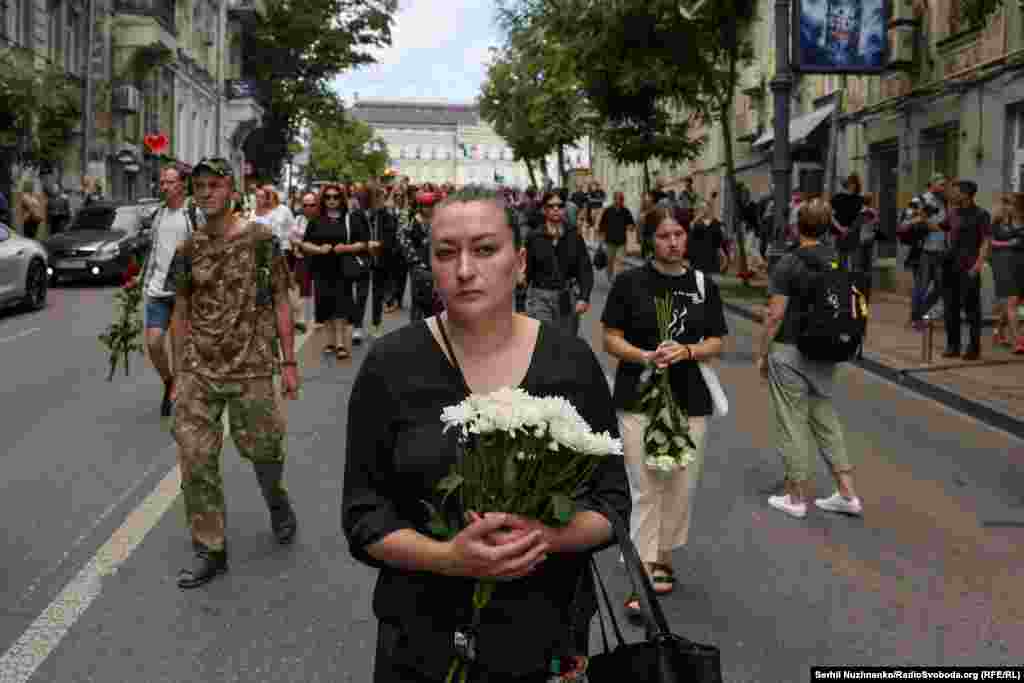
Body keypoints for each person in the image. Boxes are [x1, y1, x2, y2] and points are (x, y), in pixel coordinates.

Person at [342, 185, 630, 683]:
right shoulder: (391, 365)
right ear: (430, 266)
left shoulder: (571, 363)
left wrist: (549, 536)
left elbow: (612, 503)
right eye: (446, 253)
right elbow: (364, 514)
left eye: (485, 249)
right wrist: (446, 558)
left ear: (519, 262)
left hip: (546, 639)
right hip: (422, 640)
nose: (465, 269)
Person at [169, 157, 300, 589]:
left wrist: (289, 361)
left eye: (214, 185)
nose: (206, 193)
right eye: (199, 187)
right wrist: (176, 373)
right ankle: (211, 549)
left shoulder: (261, 239)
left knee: (263, 449)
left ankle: (275, 500)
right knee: (196, 458)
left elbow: (282, 298)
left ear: (232, 189)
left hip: (252, 365)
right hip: (199, 368)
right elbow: (181, 309)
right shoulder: (188, 248)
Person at [600, 205, 727, 614]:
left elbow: (716, 342)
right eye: (663, 236)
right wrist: (643, 355)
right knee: (644, 484)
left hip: (689, 398)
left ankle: (664, 556)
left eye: (678, 234)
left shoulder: (703, 285)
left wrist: (687, 350)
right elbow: (611, 338)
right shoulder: (629, 282)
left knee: (680, 484)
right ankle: (643, 572)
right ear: (649, 239)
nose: (673, 242)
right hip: (639, 395)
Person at [757, 198, 863, 520]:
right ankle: (847, 493)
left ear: (796, 226)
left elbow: (775, 315)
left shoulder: (789, 263)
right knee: (825, 419)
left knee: (791, 422)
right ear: (828, 227)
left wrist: (762, 353)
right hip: (827, 351)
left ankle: (795, 496)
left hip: (789, 351)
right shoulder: (838, 259)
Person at [123, 166, 199, 417]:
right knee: (154, 343)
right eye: (162, 182)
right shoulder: (158, 214)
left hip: (181, 293)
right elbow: (153, 253)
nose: (163, 186)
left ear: (181, 185)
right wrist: (139, 278)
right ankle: (169, 381)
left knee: (179, 349)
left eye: (169, 182)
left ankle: (180, 395)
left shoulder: (192, 214)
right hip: (157, 290)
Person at [300, 184, 369, 359]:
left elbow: (363, 243)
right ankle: (329, 342)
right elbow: (305, 243)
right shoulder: (316, 219)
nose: (332, 200)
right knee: (325, 305)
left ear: (341, 198)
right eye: (328, 197)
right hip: (322, 268)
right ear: (323, 200)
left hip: (343, 268)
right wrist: (318, 249)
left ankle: (340, 344)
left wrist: (345, 247)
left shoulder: (350, 218)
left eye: (335, 197)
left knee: (341, 306)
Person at [524, 190, 594, 334]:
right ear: (544, 210)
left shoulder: (574, 237)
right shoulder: (534, 237)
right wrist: (520, 303)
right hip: (540, 297)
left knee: (566, 342)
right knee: (544, 340)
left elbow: (585, 268)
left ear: (564, 209)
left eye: (560, 206)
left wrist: (584, 297)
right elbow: (526, 271)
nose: (556, 209)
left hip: (566, 297)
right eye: (551, 206)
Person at [941, 180, 991, 361]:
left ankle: (973, 347)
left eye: (955, 192)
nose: (952, 195)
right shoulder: (953, 213)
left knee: (971, 309)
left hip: (969, 266)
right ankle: (953, 345)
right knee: (950, 307)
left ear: (966, 194)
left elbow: (986, 241)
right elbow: (940, 228)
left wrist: (978, 264)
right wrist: (921, 220)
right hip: (950, 265)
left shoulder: (981, 214)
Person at [903, 173, 948, 326]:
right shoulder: (919, 201)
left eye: (944, 185)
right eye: (941, 185)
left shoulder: (945, 202)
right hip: (924, 250)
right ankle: (916, 318)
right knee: (921, 286)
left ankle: (920, 313)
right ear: (932, 184)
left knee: (942, 286)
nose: (944, 188)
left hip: (941, 250)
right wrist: (923, 220)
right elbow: (905, 223)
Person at [398, 189, 443, 322]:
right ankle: (416, 333)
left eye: (430, 205)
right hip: (418, 267)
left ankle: (434, 332)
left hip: (436, 265)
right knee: (418, 301)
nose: (427, 209)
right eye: (425, 205)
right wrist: (414, 261)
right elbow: (403, 241)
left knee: (436, 301)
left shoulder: (439, 221)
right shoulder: (412, 221)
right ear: (420, 206)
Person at [364, 182, 399, 339]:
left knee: (378, 293)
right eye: (375, 197)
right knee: (361, 294)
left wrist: (380, 244)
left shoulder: (388, 216)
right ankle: (356, 325)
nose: (378, 200)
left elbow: (391, 239)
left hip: (381, 259)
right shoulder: (363, 215)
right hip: (363, 258)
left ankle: (376, 324)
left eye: (381, 197)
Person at [991, 193, 1024, 354]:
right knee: (1012, 301)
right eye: (1006, 203)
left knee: (1015, 302)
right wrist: (1007, 243)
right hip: (1004, 264)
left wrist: (1008, 243)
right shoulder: (999, 222)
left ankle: (998, 332)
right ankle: (1018, 341)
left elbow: (1018, 242)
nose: (1007, 207)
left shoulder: (1020, 222)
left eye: (1010, 203)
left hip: (1020, 263)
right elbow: (990, 242)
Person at [289, 192, 319, 331]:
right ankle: (300, 319)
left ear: (316, 205)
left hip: (319, 256)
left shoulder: (321, 219)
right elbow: (292, 236)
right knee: (301, 287)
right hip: (303, 256)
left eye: (312, 205)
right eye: (305, 205)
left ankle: (321, 317)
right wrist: (296, 247)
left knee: (321, 287)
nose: (308, 208)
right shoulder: (299, 219)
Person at [597, 191, 635, 283]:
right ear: (614, 199)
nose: (619, 201)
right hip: (610, 240)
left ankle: (617, 279)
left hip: (621, 241)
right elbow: (602, 226)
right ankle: (610, 277)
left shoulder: (626, 211)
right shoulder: (608, 211)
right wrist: (601, 241)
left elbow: (632, 224)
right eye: (617, 199)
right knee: (609, 261)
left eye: (621, 199)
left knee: (620, 261)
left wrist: (630, 226)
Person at [830, 174, 865, 268]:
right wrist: (843, 229)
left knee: (847, 261)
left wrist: (843, 229)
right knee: (843, 260)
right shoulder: (859, 200)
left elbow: (862, 217)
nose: (853, 186)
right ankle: (845, 279)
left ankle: (845, 279)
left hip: (847, 233)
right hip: (846, 233)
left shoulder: (859, 199)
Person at [686, 199, 727, 276]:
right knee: (697, 279)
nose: (703, 209)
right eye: (701, 207)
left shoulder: (716, 223)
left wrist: (723, 256)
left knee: (710, 280)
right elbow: (691, 227)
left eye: (705, 207)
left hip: (711, 255)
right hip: (698, 255)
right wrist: (698, 216)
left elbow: (718, 241)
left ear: (709, 208)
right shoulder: (696, 222)